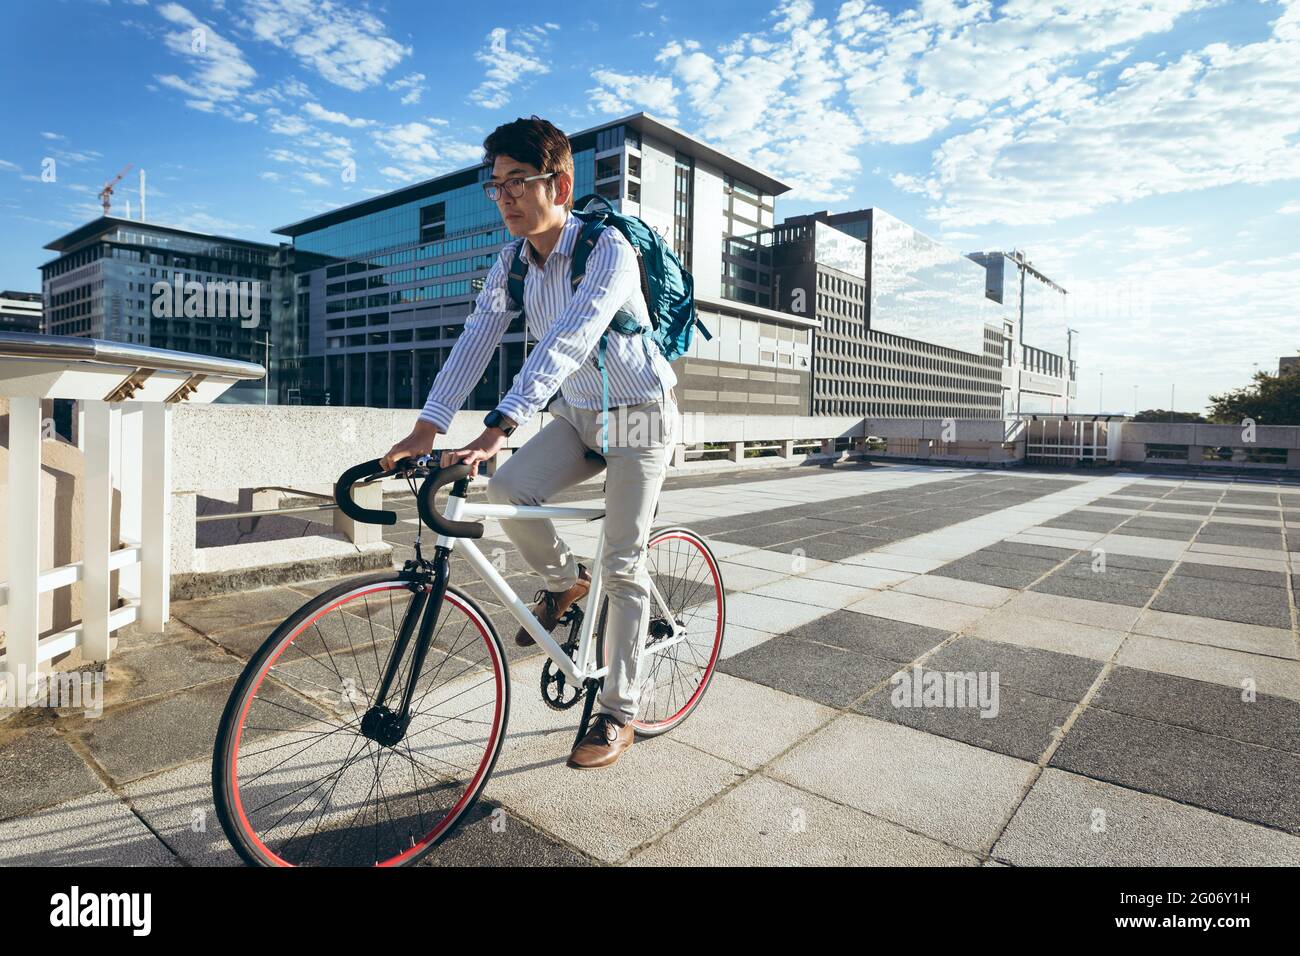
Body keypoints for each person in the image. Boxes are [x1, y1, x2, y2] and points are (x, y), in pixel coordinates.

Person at [381, 115, 679, 770]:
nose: (505, 196)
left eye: (519, 180)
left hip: (640, 418)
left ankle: (616, 711)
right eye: (496, 185)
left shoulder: (607, 252)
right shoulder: (511, 263)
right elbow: (474, 341)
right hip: (579, 416)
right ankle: (564, 582)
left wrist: (499, 425)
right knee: (510, 489)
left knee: (624, 561)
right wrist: (428, 426)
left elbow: (567, 339)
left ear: (560, 184)